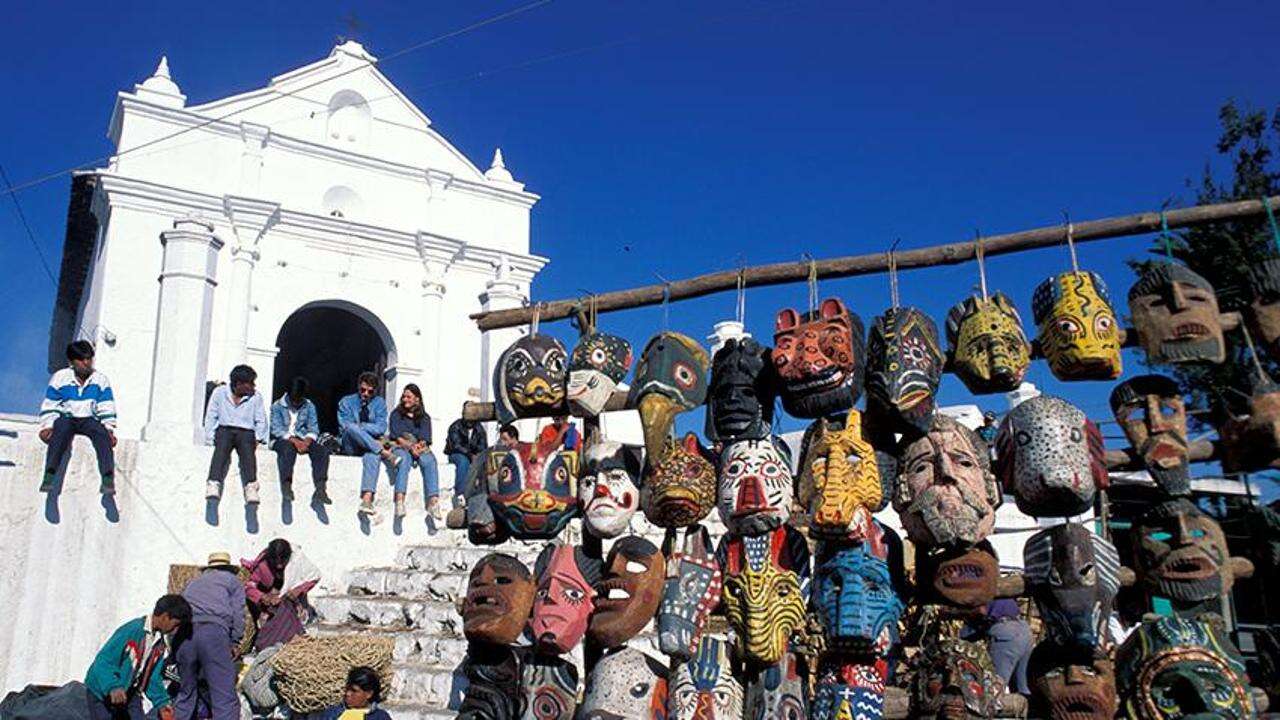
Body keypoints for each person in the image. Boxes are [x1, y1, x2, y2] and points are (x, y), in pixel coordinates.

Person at [84, 594, 191, 720]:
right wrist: (113, 686)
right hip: (102, 692)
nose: (176, 629)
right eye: (176, 624)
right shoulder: (132, 631)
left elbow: (152, 677)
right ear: (165, 617)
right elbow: (104, 661)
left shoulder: (159, 644)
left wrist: (162, 703)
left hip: (129, 691)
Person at [173, 552, 246, 720]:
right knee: (224, 697)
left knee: (186, 693)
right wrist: (235, 641)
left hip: (185, 634)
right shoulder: (232, 581)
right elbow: (238, 612)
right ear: (229, 569)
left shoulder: (193, 582)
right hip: (214, 634)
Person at [38, 340, 118, 494]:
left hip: (89, 419)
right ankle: (50, 473)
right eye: (82, 360)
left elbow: (106, 405)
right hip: (68, 418)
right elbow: (51, 404)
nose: (86, 363)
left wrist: (109, 428)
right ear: (72, 362)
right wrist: (47, 425)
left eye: (89, 359)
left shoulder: (100, 380)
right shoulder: (60, 378)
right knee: (60, 430)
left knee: (101, 434)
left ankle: (108, 477)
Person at [203, 365, 268, 504]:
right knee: (222, 447)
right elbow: (211, 416)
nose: (253, 386)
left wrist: (258, 438)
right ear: (238, 384)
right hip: (225, 430)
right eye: (250, 383)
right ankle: (213, 482)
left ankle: (251, 485)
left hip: (246, 433)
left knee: (247, 452)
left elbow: (261, 420)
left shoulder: (256, 397)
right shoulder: (219, 393)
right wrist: (210, 437)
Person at [242, 539, 318, 650]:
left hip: (294, 603)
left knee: (294, 628)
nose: (278, 566)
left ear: (289, 557)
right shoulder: (263, 566)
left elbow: (314, 577)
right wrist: (262, 597)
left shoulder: (297, 562)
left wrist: (298, 590)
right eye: (275, 562)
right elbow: (249, 586)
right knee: (268, 635)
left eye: (283, 561)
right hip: (270, 607)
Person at [269, 377, 332, 505]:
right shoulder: (277, 406)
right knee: (287, 450)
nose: (297, 402)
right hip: (283, 439)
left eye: (299, 400)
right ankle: (286, 485)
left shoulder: (309, 406)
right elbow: (276, 429)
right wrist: (294, 441)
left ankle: (320, 489)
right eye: (294, 399)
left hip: (303, 439)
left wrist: (307, 441)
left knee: (321, 451)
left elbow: (313, 428)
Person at [387, 384, 440, 519]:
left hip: (418, 447)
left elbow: (425, 439)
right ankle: (399, 501)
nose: (405, 399)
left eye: (409, 396)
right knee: (404, 461)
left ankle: (433, 503)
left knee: (430, 461)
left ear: (417, 399)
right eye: (404, 396)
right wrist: (410, 448)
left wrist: (418, 447)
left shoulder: (424, 417)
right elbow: (396, 436)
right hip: (401, 446)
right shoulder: (396, 414)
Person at [984, 598, 1033, 695]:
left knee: (994, 685)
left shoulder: (971, 590)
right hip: (1024, 629)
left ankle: (991, 708)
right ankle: (1028, 708)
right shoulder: (999, 589)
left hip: (1005, 632)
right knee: (1023, 686)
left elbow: (980, 611)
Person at [444, 416, 488, 511]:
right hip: (457, 454)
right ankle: (461, 494)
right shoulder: (456, 426)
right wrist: (470, 454)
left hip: (473, 455)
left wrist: (478, 455)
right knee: (464, 462)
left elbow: (483, 446)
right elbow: (456, 445)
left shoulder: (479, 429)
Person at [317, 666, 392, 720]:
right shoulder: (332, 714)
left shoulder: (381, 717)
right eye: (347, 689)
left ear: (369, 694)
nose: (348, 694)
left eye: (354, 691)